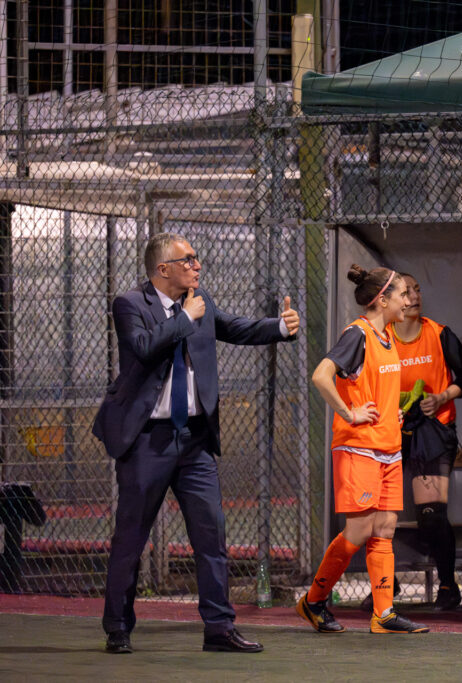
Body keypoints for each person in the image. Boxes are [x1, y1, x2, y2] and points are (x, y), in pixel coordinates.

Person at [94, 232, 300, 654]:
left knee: (212, 535)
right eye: (188, 260)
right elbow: (143, 347)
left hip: (194, 440)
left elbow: (234, 328)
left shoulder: (199, 301)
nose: (197, 265)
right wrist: (184, 319)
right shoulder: (131, 304)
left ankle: (219, 628)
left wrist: (279, 327)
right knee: (131, 538)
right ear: (162, 269)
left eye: (197, 258)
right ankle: (117, 627)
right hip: (146, 440)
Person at [296, 265, 428, 635]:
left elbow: (375, 388)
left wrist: (392, 413)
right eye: (402, 294)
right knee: (358, 530)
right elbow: (321, 375)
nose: (409, 299)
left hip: (388, 446)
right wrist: (349, 412)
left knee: (385, 527)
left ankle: (383, 615)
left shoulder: (386, 338)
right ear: (382, 299)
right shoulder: (358, 334)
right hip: (359, 447)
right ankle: (314, 601)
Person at [389, 272, 462, 610]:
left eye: (416, 289)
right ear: (389, 299)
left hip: (434, 427)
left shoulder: (440, 334)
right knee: (378, 515)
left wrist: (441, 397)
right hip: (392, 428)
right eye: (404, 291)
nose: (412, 296)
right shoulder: (379, 337)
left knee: (431, 514)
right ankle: (386, 583)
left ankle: (447, 585)